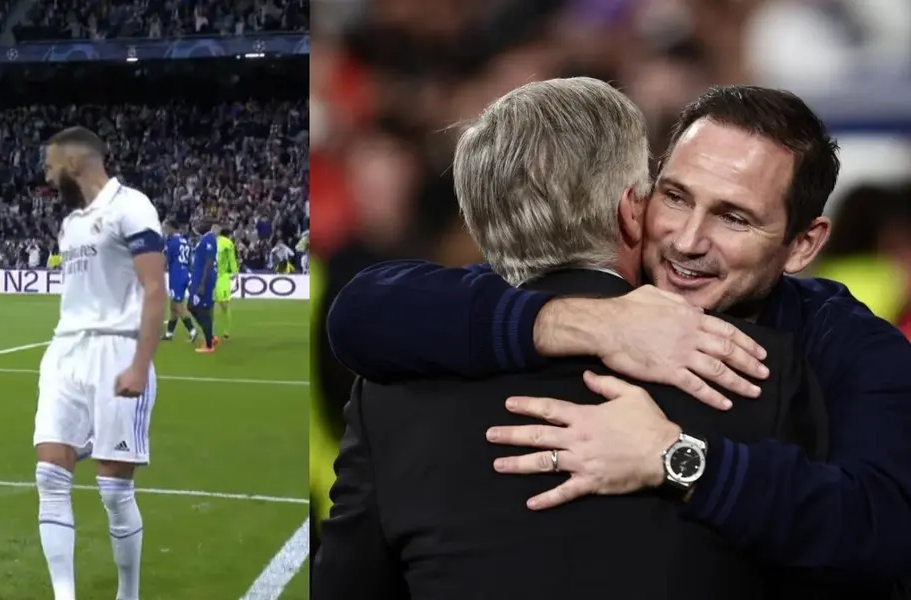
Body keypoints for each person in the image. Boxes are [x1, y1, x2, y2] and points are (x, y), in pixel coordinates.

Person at [325, 86, 911, 588]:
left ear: (804, 244)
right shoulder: (542, 295)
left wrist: (678, 459)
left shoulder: (838, 348)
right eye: (676, 197)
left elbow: (883, 531)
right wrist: (591, 322)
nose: (687, 240)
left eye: (734, 218)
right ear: (639, 199)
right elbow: (363, 311)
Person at [34, 126, 166, 600]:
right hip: (65, 352)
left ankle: (127, 594)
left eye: (51, 165)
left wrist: (139, 364)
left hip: (117, 350)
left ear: (73, 162)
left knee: (113, 491)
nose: (48, 176)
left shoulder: (131, 206)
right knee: (49, 476)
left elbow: (155, 289)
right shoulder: (70, 224)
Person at [162, 220, 197, 342]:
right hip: (185, 273)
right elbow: (190, 260)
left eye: (166, 228)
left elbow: (165, 260)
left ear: (172, 228)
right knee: (173, 306)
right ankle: (169, 334)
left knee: (178, 306)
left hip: (176, 275)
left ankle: (192, 331)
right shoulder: (185, 241)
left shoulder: (171, 242)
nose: (165, 231)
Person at [188, 219, 219, 353]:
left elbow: (209, 262)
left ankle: (209, 345)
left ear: (208, 226)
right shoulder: (204, 239)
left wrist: (202, 284)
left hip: (203, 280)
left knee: (201, 310)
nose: (197, 226)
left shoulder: (210, 239)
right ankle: (210, 336)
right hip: (197, 279)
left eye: (201, 223)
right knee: (191, 306)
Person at [214, 225, 239, 339]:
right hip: (222, 277)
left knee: (209, 306)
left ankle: (220, 331)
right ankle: (226, 331)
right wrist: (235, 272)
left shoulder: (211, 241)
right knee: (224, 305)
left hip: (213, 276)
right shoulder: (228, 243)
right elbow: (232, 259)